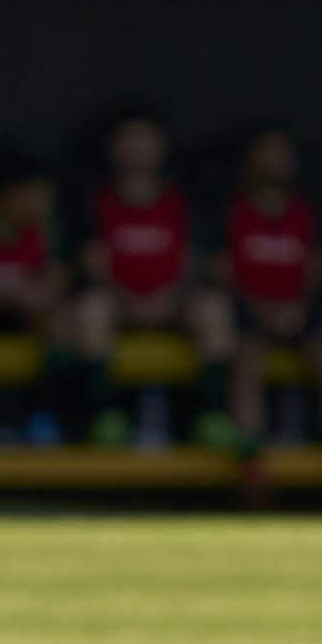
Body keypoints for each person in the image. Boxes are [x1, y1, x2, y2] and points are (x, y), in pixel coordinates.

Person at [215, 126, 322, 491]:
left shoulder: (308, 212)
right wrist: (261, 311)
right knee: (246, 359)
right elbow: (220, 273)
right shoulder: (231, 211)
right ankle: (251, 464)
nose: (274, 163)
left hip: (301, 314)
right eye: (266, 153)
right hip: (250, 315)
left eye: (281, 154)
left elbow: (319, 271)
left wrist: (297, 311)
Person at [71, 110, 220, 450]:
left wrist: (171, 298)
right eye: (128, 139)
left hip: (173, 302)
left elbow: (192, 262)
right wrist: (130, 302)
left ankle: (209, 416)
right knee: (91, 309)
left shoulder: (181, 198)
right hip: (119, 303)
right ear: (111, 148)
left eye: (145, 138)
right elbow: (94, 263)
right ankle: (108, 415)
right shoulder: (97, 199)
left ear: (162, 146)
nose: (137, 148)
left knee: (213, 309)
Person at [0, 166, 71, 445]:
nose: (44, 204)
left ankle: (42, 412)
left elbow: (56, 281)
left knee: (58, 319)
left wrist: (20, 294)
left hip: (26, 317)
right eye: (36, 196)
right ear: (10, 196)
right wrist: (0, 293)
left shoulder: (48, 227)